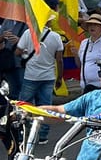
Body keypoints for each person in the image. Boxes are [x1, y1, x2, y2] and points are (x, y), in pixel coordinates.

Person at [15, 16, 64, 144]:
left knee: (24, 106)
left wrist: (26, 54)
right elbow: (59, 60)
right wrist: (59, 78)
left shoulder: (28, 33)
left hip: (30, 76)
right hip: (48, 76)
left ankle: (22, 134)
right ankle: (43, 135)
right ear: (49, 21)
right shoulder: (56, 37)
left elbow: (17, 52)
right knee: (45, 107)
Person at [77, 14, 101, 94]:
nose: (92, 27)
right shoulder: (84, 43)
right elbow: (80, 64)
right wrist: (75, 55)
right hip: (85, 86)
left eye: (95, 25)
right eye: (90, 25)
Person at [0, 17, 26, 100]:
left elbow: (34, 41)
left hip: (22, 61)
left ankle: (22, 105)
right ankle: (11, 105)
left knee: (22, 87)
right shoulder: (8, 21)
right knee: (10, 87)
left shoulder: (28, 22)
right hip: (9, 60)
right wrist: (3, 36)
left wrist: (19, 40)